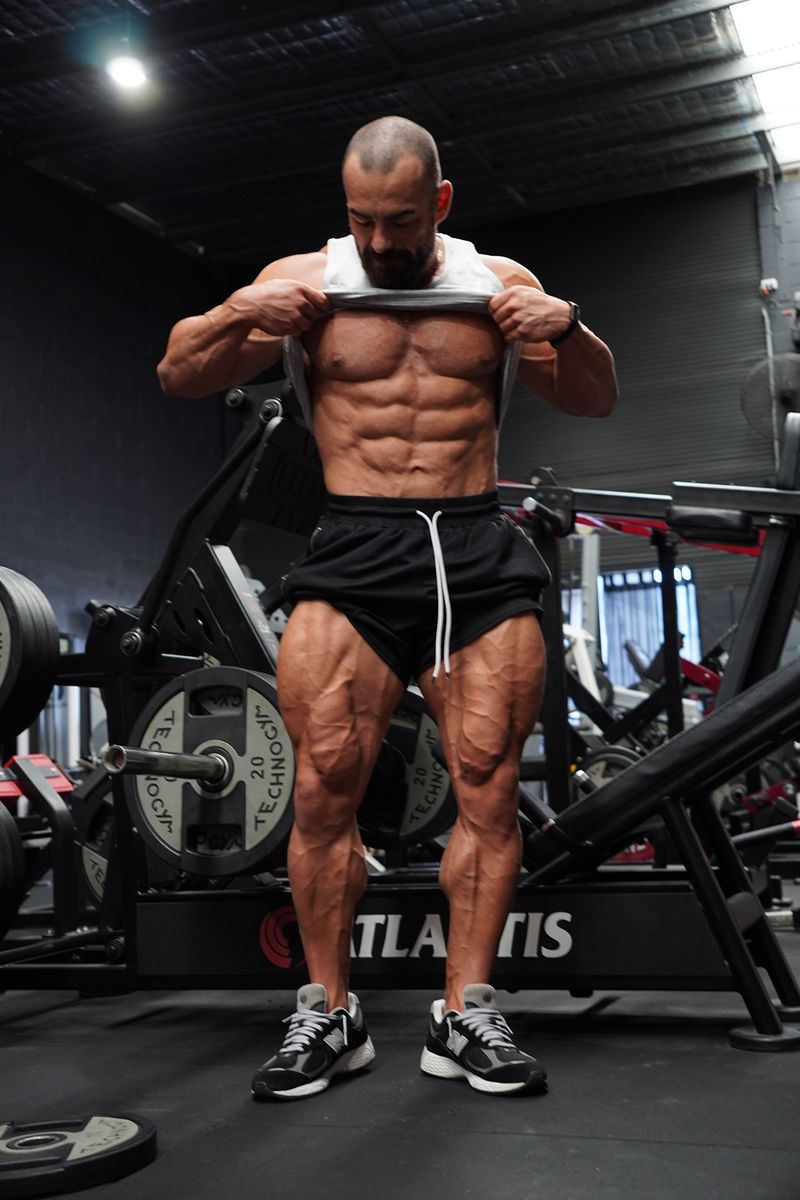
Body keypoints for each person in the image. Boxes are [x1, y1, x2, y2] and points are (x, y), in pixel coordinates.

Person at [158, 115, 618, 1100]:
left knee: (488, 783)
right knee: (322, 786)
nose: (377, 240)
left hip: (474, 543)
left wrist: (568, 326)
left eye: (399, 220)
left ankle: (465, 1011)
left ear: (438, 202)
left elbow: (593, 397)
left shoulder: (497, 283)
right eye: (361, 219)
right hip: (355, 542)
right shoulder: (306, 281)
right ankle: (329, 1011)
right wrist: (239, 309)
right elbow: (178, 371)